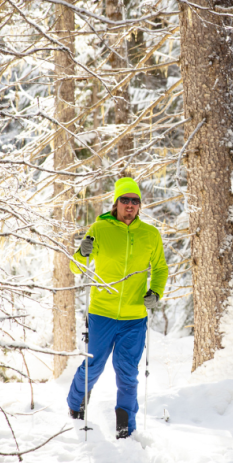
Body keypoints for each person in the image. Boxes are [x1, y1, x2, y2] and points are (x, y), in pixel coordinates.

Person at [67, 177, 168, 439]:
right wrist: (81, 251)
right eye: (126, 200)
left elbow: (159, 268)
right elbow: (76, 267)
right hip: (102, 312)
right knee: (94, 364)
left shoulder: (150, 234)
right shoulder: (100, 229)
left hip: (134, 316)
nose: (131, 205)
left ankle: (126, 425)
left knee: (127, 372)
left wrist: (155, 292)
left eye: (136, 201)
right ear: (116, 203)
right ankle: (75, 402)